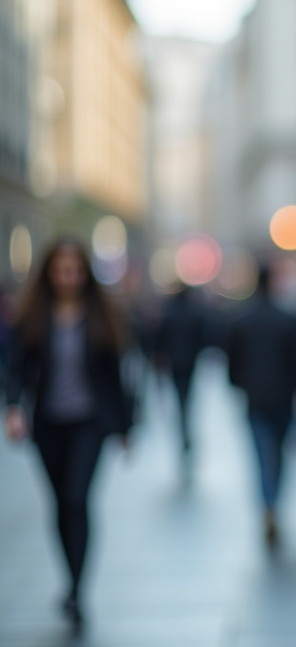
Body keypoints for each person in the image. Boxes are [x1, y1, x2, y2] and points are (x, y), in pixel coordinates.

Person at [3, 237, 133, 628]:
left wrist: (126, 426)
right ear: (49, 273)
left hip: (90, 424)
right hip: (48, 424)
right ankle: (70, 579)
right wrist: (12, 407)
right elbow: (17, 368)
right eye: (61, 270)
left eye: (75, 270)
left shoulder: (101, 315)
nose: (69, 277)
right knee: (61, 504)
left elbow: (116, 378)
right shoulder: (32, 316)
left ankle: (77, 590)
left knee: (77, 499)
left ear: (85, 274)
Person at [225, 263, 296, 548]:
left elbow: (231, 361)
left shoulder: (241, 320)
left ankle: (267, 503)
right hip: (283, 399)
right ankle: (274, 501)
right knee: (279, 454)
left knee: (260, 454)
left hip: (255, 399)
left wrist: (238, 385)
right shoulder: (289, 320)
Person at [152, 284, 208, 470]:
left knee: (180, 396)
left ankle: (183, 423)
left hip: (174, 363)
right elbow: (203, 338)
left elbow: (160, 338)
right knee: (186, 396)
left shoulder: (170, 313)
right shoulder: (195, 313)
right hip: (189, 362)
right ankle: (185, 423)